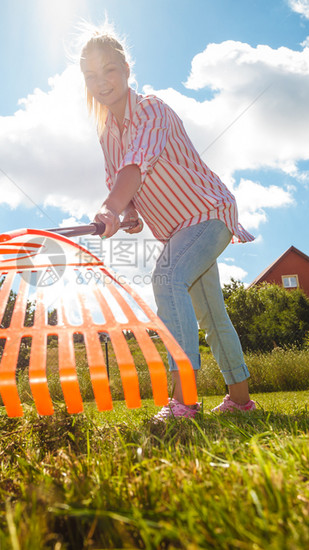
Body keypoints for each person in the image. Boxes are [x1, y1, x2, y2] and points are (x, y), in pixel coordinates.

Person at [79, 25, 257, 420]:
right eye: (91, 76)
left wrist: (109, 208)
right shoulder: (107, 131)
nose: (101, 82)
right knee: (211, 312)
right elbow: (121, 181)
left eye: (108, 70)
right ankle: (242, 402)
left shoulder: (152, 110)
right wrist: (127, 213)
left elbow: (135, 166)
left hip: (209, 214)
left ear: (126, 70)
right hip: (179, 230)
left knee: (166, 278)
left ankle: (185, 402)